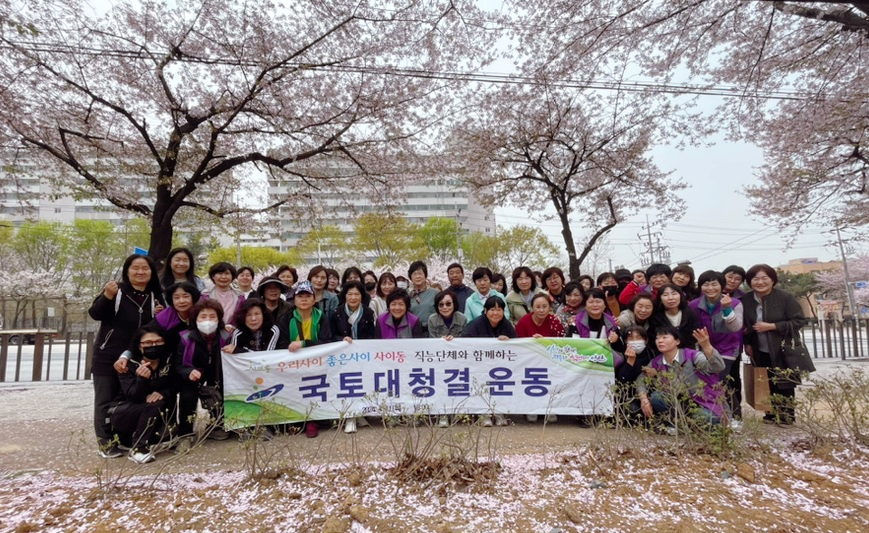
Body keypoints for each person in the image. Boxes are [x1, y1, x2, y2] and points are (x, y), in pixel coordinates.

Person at [89, 253, 165, 458]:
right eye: (135, 268)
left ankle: (123, 439)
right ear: (127, 271)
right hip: (108, 355)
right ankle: (105, 443)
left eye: (145, 269)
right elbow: (95, 313)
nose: (140, 272)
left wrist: (160, 315)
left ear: (151, 273)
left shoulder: (154, 297)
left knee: (130, 399)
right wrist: (107, 296)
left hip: (136, 359)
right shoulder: (117, 291)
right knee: (105, 400)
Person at [741, 264, 807, 426]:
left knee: (784, 382)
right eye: (755, 279)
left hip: (783, 347)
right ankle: (770, 412)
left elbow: (799, 320)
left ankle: (786, 415)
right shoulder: (747, 300)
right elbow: (744, 324)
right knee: (766, 379)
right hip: (759, 347)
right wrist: (747, 343)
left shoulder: (785, 298)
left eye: (765, 278)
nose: (760, 282)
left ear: (772, 280)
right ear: (750, 282)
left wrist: (773, 326)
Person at [109, 325, 179, 463]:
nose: (153, 345)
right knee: (154, 403)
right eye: (147, 343)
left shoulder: (169, 362)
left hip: (153, 413)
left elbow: (175, 385)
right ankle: (138, 448)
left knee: (161, 400)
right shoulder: (128, 365)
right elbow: (133, 396)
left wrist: (163, 392)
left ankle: (162, 436)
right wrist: (142, 380)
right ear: (139, 346)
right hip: (124, 411)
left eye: (158, 342)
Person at [636, 326, 726, 433]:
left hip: (701, 403)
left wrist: (707, 346)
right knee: (656, 397)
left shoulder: (692, 356)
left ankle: (681, 425)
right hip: (679, 404)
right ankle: (679, 424)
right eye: (657, 338)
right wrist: (643, 399)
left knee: (708, 418)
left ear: (677, 341)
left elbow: (718, 367)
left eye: (665, 337)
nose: (660, 341)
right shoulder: (657, 362)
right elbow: (641, 379)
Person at [277, 280, 335, 438]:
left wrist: (303, 344)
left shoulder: (321, 318)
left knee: (314, 389)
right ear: (294, 299)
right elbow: (281, 343)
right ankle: (296, 421)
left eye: (307, 296)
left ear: (314, 299)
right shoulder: (286, 319)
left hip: (317, 363)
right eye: (300, 296)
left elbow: (326, 341)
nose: (303, 299)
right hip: (293, 364)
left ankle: (313, 420)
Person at [176, 299, 233, 451]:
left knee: (222, 393)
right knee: (188, 397)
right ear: (195, 318)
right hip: (194, 377)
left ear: (219, 318)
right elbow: (178, 365)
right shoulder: (186, 338)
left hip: (218, 376)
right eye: (203, 317)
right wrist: (189, 372)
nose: (207, 321)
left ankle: (218, 425)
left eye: (212, 316)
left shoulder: (226, 337)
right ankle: (185, 435)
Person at [689, 270, 744, 427]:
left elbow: (735, 327)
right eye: (706, 284)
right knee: (709, 381)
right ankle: (717, 414)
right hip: (704, 348)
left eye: (714, 284)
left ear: (721, 286)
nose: (710, 288)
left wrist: (727, 309)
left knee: (721, 381)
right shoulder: (694, 305)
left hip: (727, 348)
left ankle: (735, 416)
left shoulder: (735, 303)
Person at [329, 280, 376, 434]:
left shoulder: (368, 313)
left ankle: (360, 413)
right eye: (350, 294)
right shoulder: (336, 313)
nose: (353, 297)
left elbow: (371, 336)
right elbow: (331, 335)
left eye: (357, 294)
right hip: (343, 358)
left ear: (362, 296)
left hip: (362, 357)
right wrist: (341, 341)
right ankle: (349, 416)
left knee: (362, 385)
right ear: (345, 295)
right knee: (348, 385)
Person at [462, 296, 517, 427]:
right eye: (492, 309)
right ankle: (483, 413)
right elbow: (464, 344)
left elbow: (516, 346)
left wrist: (508, 342)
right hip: (478, 366)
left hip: (500, 367)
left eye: (499, 309)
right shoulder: (475, 325)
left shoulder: (506, 325)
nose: (496, 313)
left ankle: (499, 411)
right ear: (485, 311)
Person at [613, 326, 655, 424]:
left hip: (647, 393)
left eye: (639, 338)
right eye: (631, 338)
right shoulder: (620, 355)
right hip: (626, 395)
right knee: (633, 410)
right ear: (625, 341)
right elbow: (622, 379)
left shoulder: (651, 354)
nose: (635, 342)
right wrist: (630, 361)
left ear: (645, 340)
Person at [650, 283, 700, 350]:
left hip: (688, 353)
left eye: (674, 294)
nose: (670, 298)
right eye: (665, 295)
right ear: (660, 300)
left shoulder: (690, 314)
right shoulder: (656, 318)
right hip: (665, 353)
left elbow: (693, 338)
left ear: (680, 296)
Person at [205, 262, 245, 329]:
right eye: (220, 273)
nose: (223, 277)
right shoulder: (205, 296)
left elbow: (243, 316)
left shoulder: (240, 296)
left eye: (227, 274)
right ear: (213, 276)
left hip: (234, 332)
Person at [408, 260, 439, 335]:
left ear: (425, 276)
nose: (417, 276)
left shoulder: (435, 293)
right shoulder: (407, 295)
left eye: (420, 273)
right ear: (410, 278)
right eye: (414, 274)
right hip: (412, 332)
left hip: (431, 331)